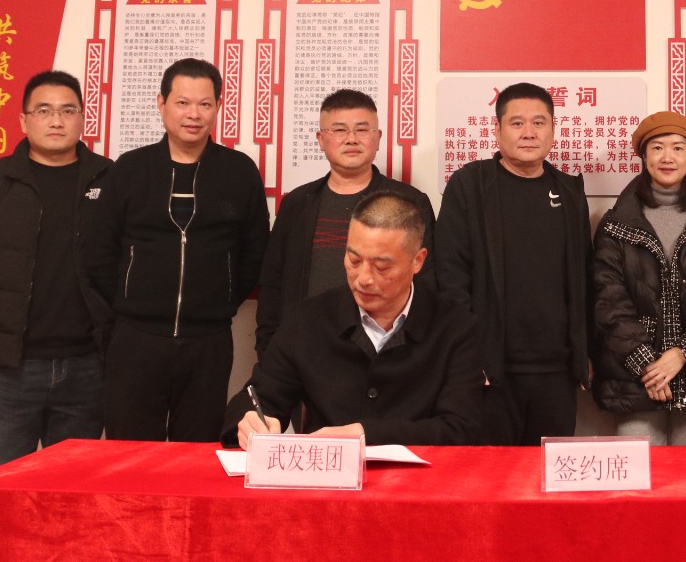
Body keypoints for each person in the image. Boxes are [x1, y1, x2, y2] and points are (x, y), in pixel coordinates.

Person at [85, 57, 270, 442]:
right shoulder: (130, 169)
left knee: (198, 453)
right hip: (135, 339)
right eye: (182, 102)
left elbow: (254, 252)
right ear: (162, 103)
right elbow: (99, 250)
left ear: (218, 107)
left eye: (205, 104)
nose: (194, 114)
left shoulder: (238, 172)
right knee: (130, 453)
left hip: (208, 341)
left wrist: (221, 300)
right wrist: (126, 303)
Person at [0, 70, 113, 470]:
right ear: (23, 120)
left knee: (72, 488)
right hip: (11, 369)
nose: (56, 120)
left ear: (82, 118)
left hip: (88, 367)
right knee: (1, 486)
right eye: (44, 110)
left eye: (67, 110)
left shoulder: (110, 180)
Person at [226, 192, 480, 448]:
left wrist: (365, 434)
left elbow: (462, 428)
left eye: (381, 267)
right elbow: (259, 397)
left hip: (425, 473)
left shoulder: (455, 326)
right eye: (354, 260)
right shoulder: (307, 320)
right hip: (326, 471)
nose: (363, 278)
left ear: (418, 261)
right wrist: (249, 422)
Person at [434, 82, 590, 445]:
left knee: (549, 474)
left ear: (553, 129)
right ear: (498, 130)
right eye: (517, 123)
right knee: (491, 474)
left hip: (556, 373)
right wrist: (469, 357)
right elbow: (450, 277)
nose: (529, 133)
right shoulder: (470, 185)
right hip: (490, 372)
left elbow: (585, 278)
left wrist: (585, 354)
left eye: (539, 122)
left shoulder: (569, 191)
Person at [592, 112, 686, 445]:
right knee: (639, 474)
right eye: (657, 147)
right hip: (635, 379)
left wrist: (683, 353)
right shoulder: (616, 223)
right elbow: (608, 299)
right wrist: (648, 366)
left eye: (678, 148)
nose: (667, 157)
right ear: (644, 156)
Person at [256, 88, 433, 357]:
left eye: (362, 130)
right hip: (305, 352)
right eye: (339, 130)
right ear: (321, 139)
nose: (351, 139)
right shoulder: (297, 204)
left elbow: (427, 283)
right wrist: (268, 349)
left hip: (386, 353)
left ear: (378, 138)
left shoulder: (410, 202)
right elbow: (272, 283)